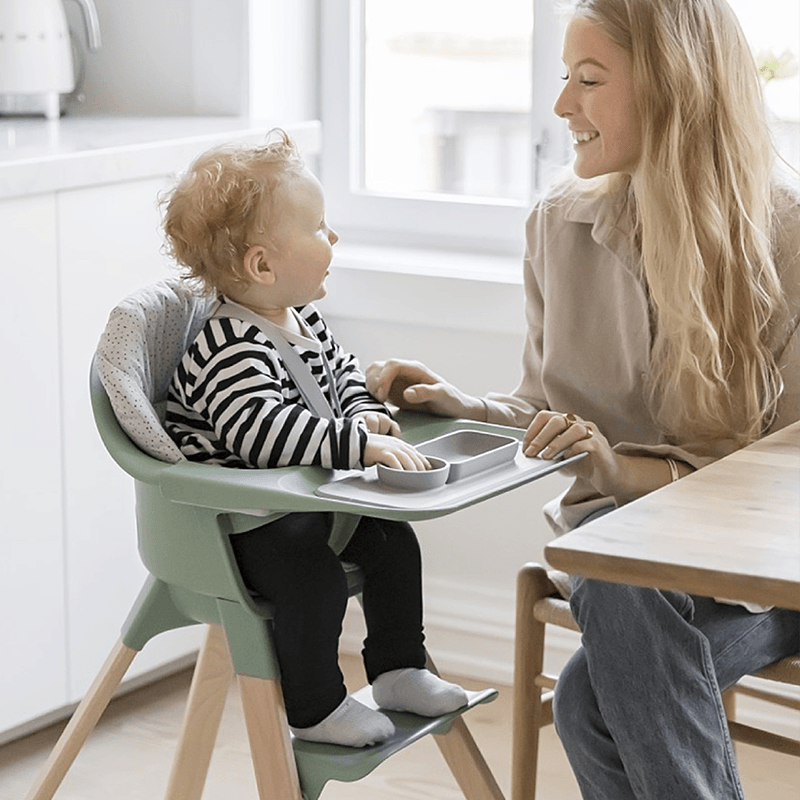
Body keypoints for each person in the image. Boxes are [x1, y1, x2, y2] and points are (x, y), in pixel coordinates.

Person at [366, 0, 800, 796]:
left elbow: (786, 480)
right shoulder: (556, 228)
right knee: (614, 590)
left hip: (764, 571)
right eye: (565, 79)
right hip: (621, 559)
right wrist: (468, 406)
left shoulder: (788, 237)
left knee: (586, 699)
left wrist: (616, 471)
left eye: (589, 81)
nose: (563, 106)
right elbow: (555, 417)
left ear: (677, 87)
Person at [161, 132, 468, 748]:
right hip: (241, 521)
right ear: (263, 265)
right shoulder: (228, 346)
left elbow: (344, 378)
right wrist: (356, 447)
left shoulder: (303, 320)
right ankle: (316, 707)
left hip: (302, 504)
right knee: (313, 579)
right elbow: (261, 435)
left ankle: (398, 668)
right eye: (320, 227)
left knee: (392, 542)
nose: (334, 239)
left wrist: (367, 418)